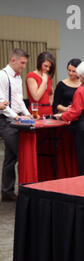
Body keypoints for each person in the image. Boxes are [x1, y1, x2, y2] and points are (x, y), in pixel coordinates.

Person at [0, 49, 33, 201]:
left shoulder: (18, 77)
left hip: (16, 119)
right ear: (13, 60)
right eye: (22, 63)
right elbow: (2, 103)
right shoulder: (2, 75)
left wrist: (27, 114)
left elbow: (19, 100)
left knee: (10, 158)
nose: (24, 66)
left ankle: (7, 192)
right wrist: (16, 117)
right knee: (22, 153)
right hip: (6, 120)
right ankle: (27, 190)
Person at [26, 51, 55, 117]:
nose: (48, 69)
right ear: (40, 63)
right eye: (45, 66)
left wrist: (50, 103)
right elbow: (36, 97)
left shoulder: (48, 77)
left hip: (49, 110)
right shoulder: (31, 76)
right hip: (37, 111)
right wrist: (44, 81)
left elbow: (51, 93)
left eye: (50, 67)